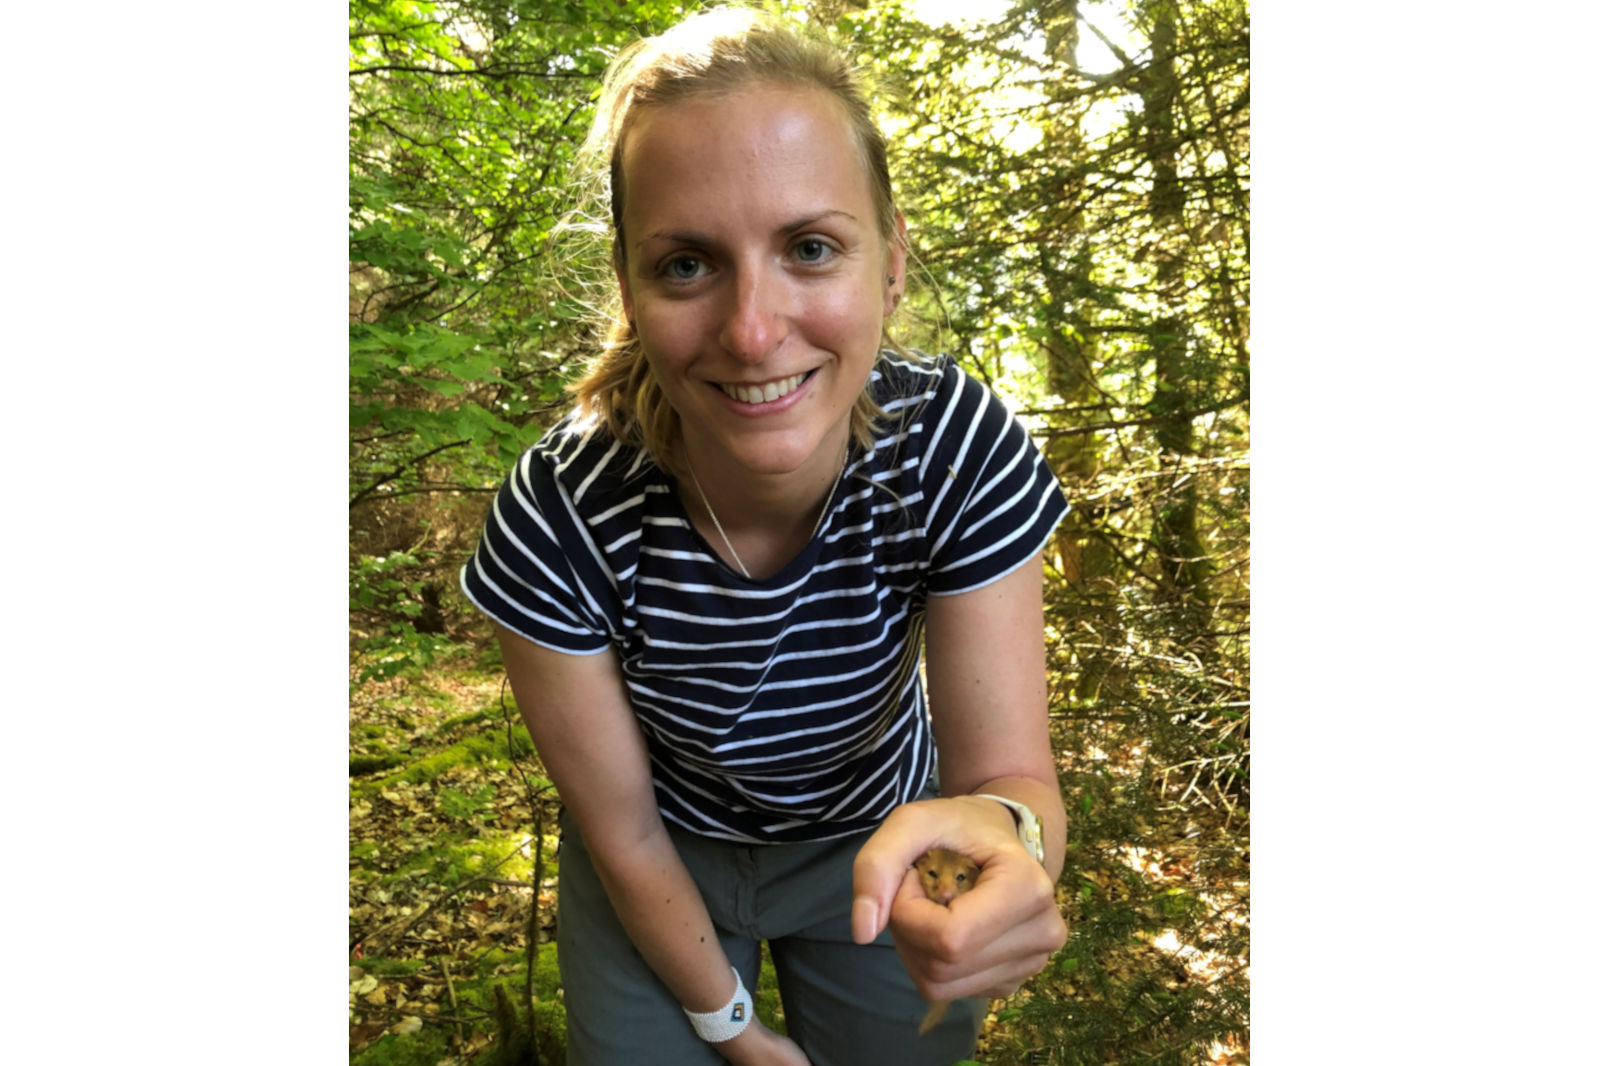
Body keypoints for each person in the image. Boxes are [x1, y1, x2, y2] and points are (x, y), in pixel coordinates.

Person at [460, 7, 1069, 1064]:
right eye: (687, 264)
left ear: (889, 266)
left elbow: (1007, 772)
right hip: (659, 854)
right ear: (630, 287)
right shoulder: (558, 514)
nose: (752, 330)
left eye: (810, 248)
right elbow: (622, 830)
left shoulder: (953, 447)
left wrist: (1010, 846)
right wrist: (736, 1033)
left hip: (883, 835)